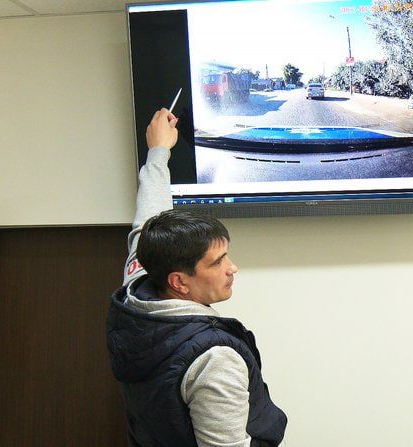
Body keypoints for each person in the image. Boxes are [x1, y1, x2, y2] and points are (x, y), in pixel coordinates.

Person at [106, 109, 287, 447]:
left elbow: (146, 223)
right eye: (217, 262)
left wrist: (158, 152)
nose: (232, 268)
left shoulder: (139, 290)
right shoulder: (214, 360)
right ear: (179, 282)